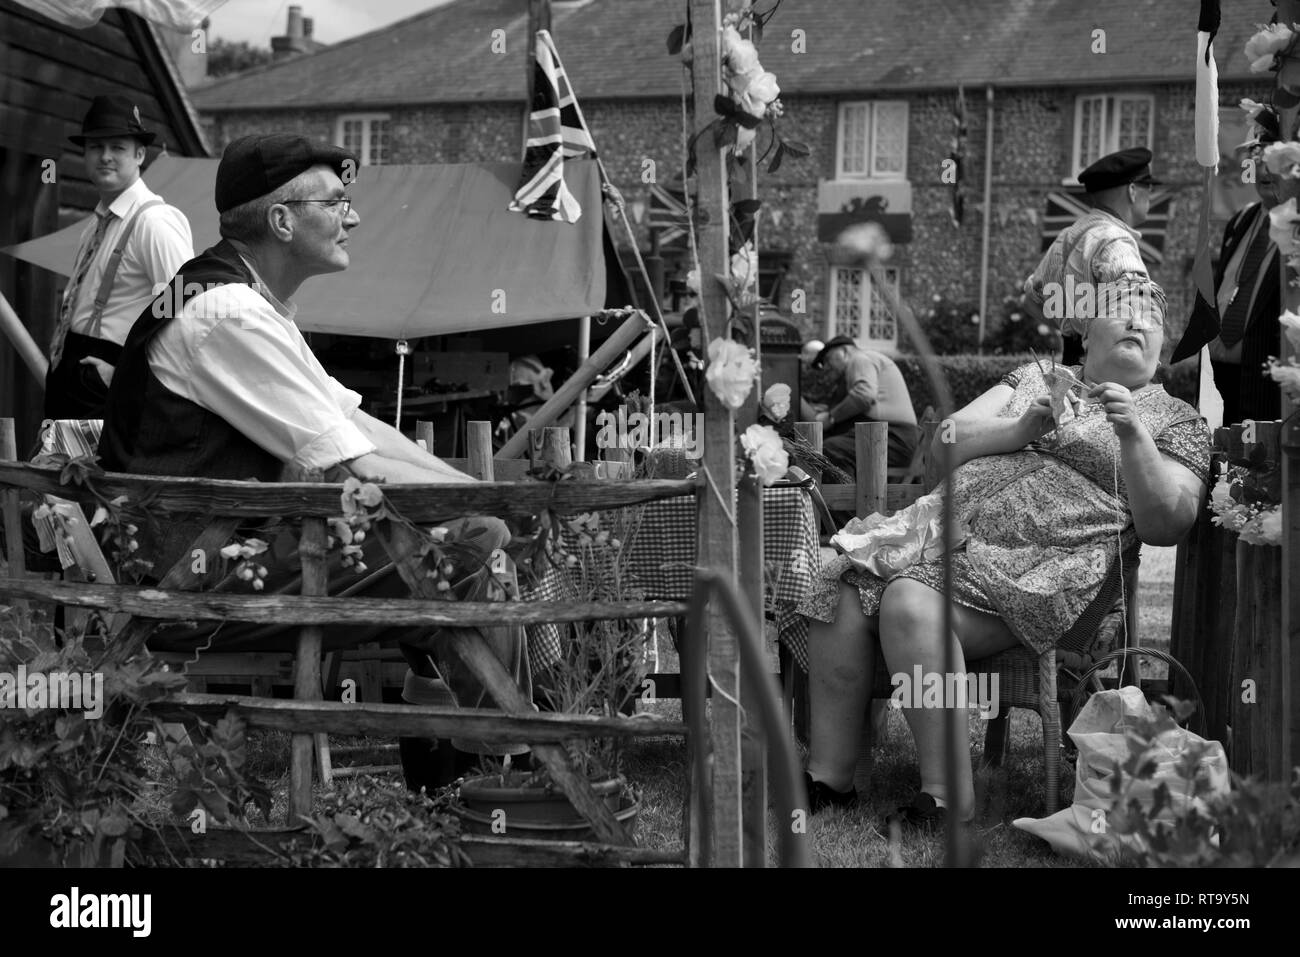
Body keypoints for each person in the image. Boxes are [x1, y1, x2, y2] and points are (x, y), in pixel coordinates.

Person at [97, 133, 527, 779]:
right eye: (337, 201)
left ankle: (458, 762)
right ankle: (507, 775)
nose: (351, 216)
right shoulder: (226, 313)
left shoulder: (239, 298)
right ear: (282, 219)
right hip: (190, 589)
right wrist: (488, 509)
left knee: (462, 534)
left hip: (216, 561)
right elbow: (356, 466)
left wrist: (472, 488)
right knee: (472, 545)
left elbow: (357, 427)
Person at [794, 279, 1208, 823]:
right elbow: (942, 442)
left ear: (1161, 345)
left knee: (910, 602)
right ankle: (830, 779)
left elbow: (1168, 522)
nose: (1136, 322)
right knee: (840, 587)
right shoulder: (1036, 378)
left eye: (1149, 318)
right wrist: (1018, 427)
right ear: (1085, 330)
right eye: (1120, 311)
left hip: (1049, 570)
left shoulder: (1175, 420)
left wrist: (1132, 434)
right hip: (946, 542)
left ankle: (946, 797)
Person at [46, 95, 193, 419]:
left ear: (140, 154)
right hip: (74, 370)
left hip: (108, 378)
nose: (105, 157)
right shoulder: (97, 223)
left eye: (118, 147)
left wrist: (131, 375)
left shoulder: (154, 221)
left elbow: (185, 308)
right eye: (96, 147)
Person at [1171, 104, 1283, 426]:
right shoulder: (1242, 220)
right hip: (1219, 379)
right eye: (1258, 159)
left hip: (1265, 387)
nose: (1263, 171)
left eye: (1274, 160)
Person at [1023, 147, 1166, 366]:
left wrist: (1073, 329)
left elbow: (1032, 302)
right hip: (1108, 368)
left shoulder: (1067, 237)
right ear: (1132, 191)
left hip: (1071, 363)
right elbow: (1139, 316)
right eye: (1148, 187)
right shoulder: (1115, 241)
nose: (1151, 194)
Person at [809, 336, 919, 474]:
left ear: (844, 351)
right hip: (896, 440)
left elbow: (863, 396)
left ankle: (843, 495)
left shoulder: (859, 359)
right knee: (833, 445)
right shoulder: (867, 359)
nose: (827, 365)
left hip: (894, 439)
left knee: (832, 448)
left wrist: (831, 417)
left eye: (828, 359)